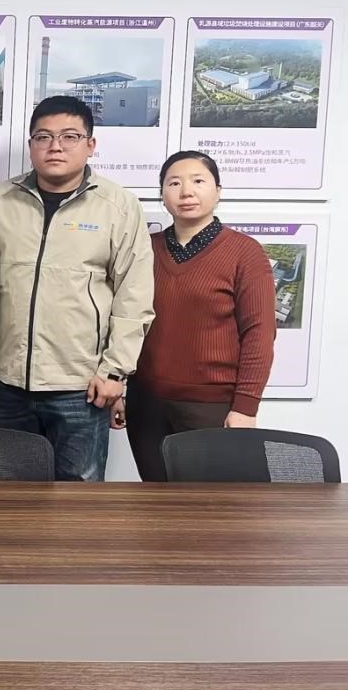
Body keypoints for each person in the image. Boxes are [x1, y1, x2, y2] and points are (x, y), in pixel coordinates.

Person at [0, 95, 154, 482]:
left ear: (90, 144)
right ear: (30, 145)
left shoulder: (118, 206)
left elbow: (134, 297)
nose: (55, 146)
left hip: (81, 386)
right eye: (43, 137)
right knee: (8, 496)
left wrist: (115, 371)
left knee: (78, 501)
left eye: (69, 136)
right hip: (8, 384)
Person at [117, 151, 276, 481]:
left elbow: (259, 334)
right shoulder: (145, 249)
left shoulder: (245, 252)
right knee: (155, 499)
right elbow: (122, 319)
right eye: (174, 183)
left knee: (210, 504)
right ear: (162, 194)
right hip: (146, 403)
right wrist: (118, 385)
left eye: (198, 181)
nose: (186, 191)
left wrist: (245, 407)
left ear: (218, 191)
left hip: (211, 407)